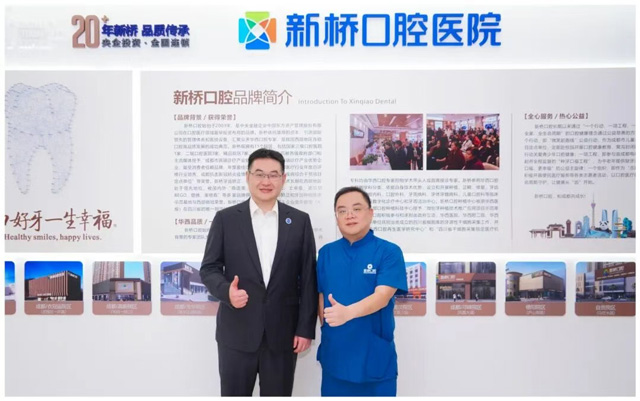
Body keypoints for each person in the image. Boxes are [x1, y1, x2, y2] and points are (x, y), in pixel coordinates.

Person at [200, 148, 317, 396]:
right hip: (237, 333)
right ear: (248, 177)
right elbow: (209, 268)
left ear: (283, 179)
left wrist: (305, 328)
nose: (266, 181)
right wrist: (227, 292)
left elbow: (308, 278)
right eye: (260, 174)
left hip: (283, 334)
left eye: (273, 175)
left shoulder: (299, 221)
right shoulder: (226, 219)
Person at [316, 187, 408, 396]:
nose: (349, 215)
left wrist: (347, 313)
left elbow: (382, 296)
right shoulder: (326, 253)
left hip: (374, 359)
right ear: (336, 218)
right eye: (342, 211)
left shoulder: (388, 251)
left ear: (370, 213)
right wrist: (327, 329)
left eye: (356, 209)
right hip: (336, 356)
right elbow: (321, 296)